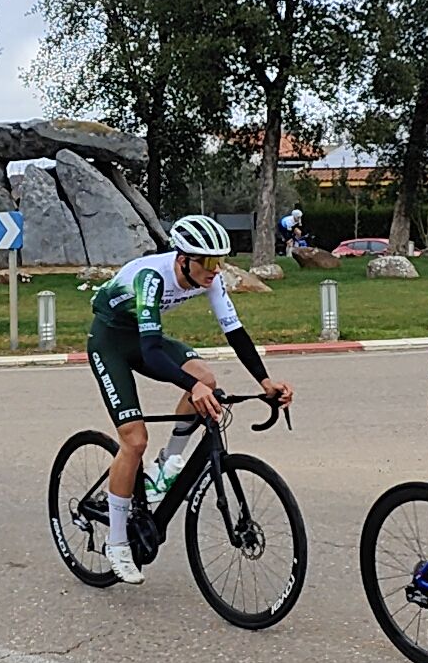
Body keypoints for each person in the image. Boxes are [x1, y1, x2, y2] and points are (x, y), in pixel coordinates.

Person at [85, 214, 295, 585]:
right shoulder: (150, 278)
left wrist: (265, 382)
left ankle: (169, 461)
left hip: (143, 337)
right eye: (209, 262)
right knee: (134, 440)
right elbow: (150, 353)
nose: (216, 270)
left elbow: (236, 332)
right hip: (111, 342)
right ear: (184, 259)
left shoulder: (207, 278)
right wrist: (191, 386)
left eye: (221, 262)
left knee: (207, 379)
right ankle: (116, 542)